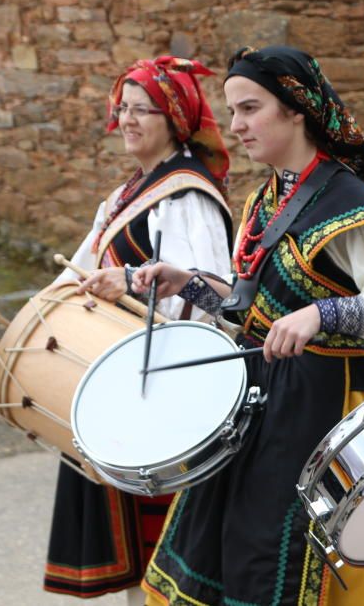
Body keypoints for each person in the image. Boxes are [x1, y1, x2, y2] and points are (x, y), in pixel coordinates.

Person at [130, 45, 364, 605]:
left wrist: (323, 313)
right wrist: (190, 283)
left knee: (292, 556)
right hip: (264, 403)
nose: (236, 126)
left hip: (327, 410)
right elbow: (259, 307)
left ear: (295, 109)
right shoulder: (266, 199)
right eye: (232, 112)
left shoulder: (348, 204)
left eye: (250, 109)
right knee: (234, 543)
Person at [44, 56, 234, 602]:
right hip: (124, 381)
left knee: (162, 551)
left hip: (162, 390)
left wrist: (126, 286)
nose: (126, 120)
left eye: (140, 110)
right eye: (121, 108)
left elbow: (207, 303)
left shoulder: (186, 196)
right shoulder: (129, 193)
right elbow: (77, 270)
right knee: (138, 551)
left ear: (173, 118)